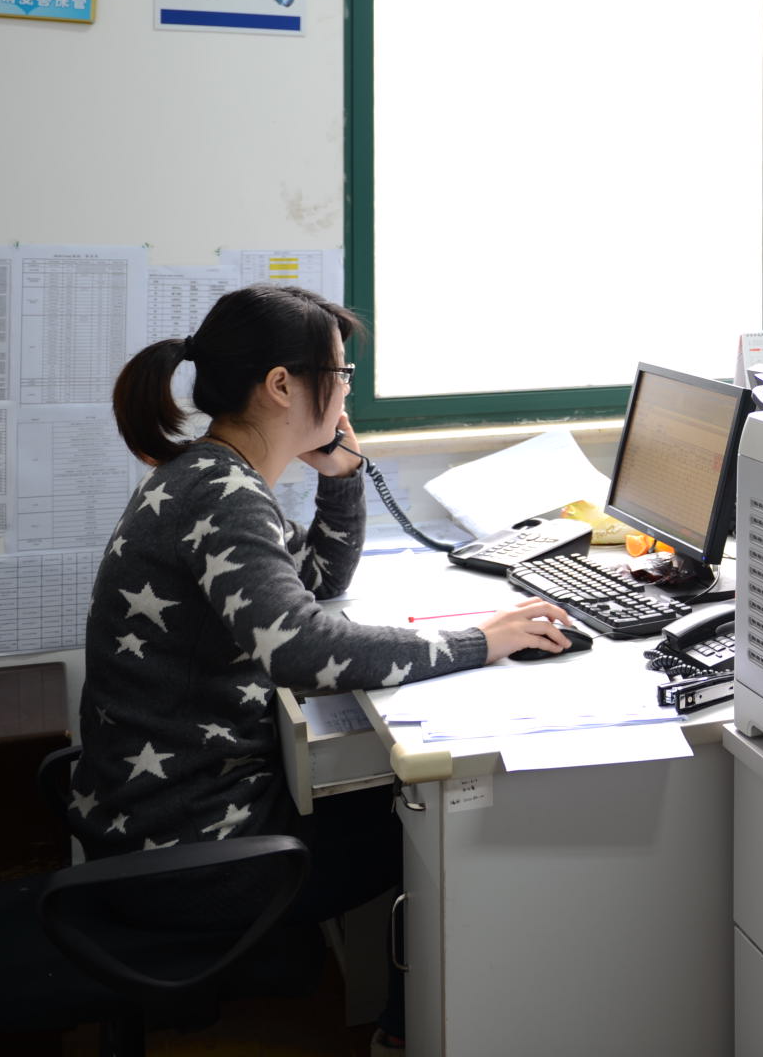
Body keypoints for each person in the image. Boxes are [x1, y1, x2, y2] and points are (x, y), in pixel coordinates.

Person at [69, 283, 570, 1047]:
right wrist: (481, 640)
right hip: (191, 856)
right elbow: (302, 646)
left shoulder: (213, 475)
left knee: (403, 795)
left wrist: (340, 475)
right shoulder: (223, 494)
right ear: (282, 385)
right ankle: (403, 1037)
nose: (344, 392)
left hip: (158, 821)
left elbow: (315, 584)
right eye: (339, 374)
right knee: (440, 825)